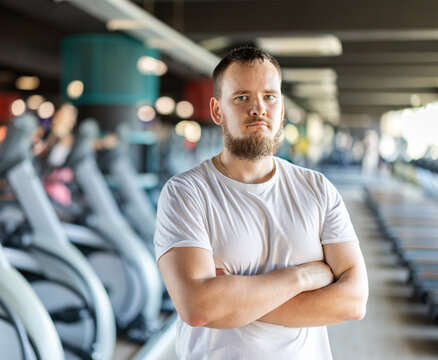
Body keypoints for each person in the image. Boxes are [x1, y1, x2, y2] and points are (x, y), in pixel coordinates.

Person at [154, 47, 368, 360]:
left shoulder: (317, 189)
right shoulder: (186, 193)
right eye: (241, 97)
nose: (259, 108)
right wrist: (304, 277)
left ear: (281, 108)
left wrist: (232, 300)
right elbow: (199, 308)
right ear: (217, 111)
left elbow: (353, 301)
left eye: (269, 96)